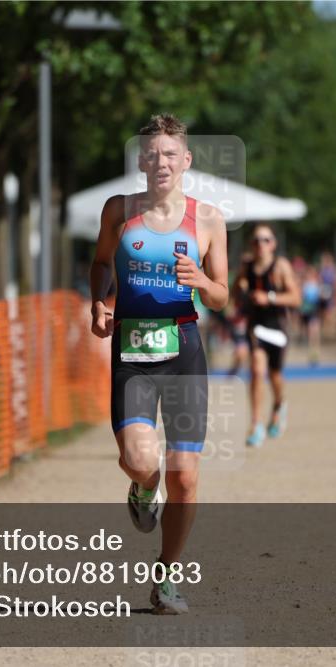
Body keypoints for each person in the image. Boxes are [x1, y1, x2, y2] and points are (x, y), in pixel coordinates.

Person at [89, 113, 228, 615]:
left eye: (171, 154)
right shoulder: (118, 211)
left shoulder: (208, 219)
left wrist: (201, 282)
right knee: (142, 461)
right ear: (141, 162)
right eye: (152, 154)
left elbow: (222, 295)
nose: (162, 162)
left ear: (185, 160)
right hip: (133, 350)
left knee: (185, 477)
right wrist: (99, 303)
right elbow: (101, 263)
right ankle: (143, 488)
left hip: (184, 349)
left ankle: (166, 578)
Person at [233, 223, 301, 447]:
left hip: (278, 328)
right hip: (256, 326)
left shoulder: (280, 266)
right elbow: (235, 294)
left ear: (273, 244)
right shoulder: (247, 267)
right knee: (256, 370)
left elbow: (296, 298)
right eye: (256, 240)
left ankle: (280, 404)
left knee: (275, 375)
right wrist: (241, 283)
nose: (260, 244)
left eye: (265, 240)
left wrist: (269, 298)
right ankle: (256, 424)